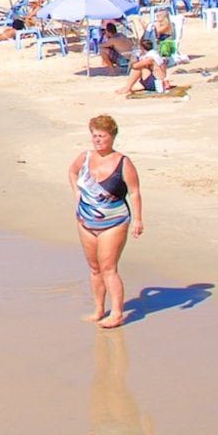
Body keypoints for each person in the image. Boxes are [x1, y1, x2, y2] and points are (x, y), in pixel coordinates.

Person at [67, 114, 142, 327]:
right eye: (94, 136)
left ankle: (117, 313)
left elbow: (134, 192)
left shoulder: (123, 162)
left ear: (112, 136)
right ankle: (99, 309)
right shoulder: (85, 157)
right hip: (86, 220)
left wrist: (138, 219)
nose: (97, 140)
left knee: (109, 267)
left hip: (114, 221)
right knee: (94, 268)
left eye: (102, 136)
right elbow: (72, 173)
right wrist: (77, 194)